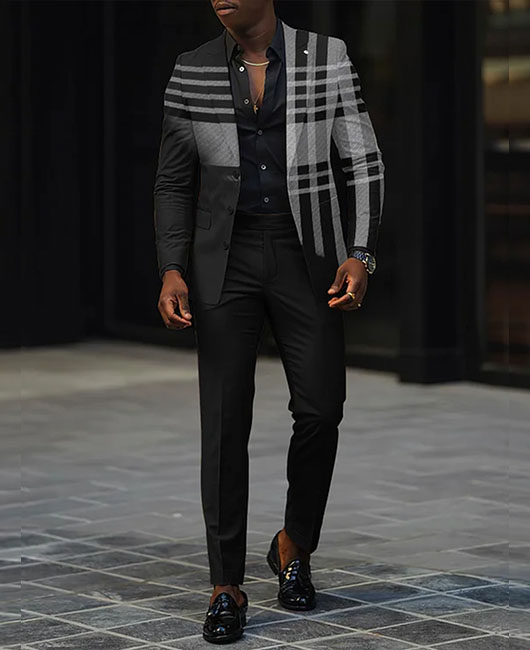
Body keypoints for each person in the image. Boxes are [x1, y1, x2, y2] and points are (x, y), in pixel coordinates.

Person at [153, 0, 384, 643]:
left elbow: (363, 162)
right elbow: (172, 181)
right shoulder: (192, 69)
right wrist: (171, 268)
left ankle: (293, 543)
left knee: (321, 408)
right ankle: (225, 585)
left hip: (305, 254)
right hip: (222, 259)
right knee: (225, 420)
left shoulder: (327, 57)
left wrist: (361, 252)